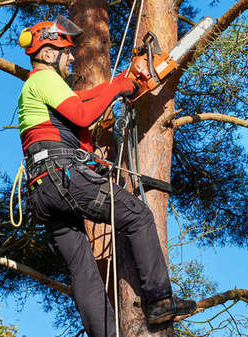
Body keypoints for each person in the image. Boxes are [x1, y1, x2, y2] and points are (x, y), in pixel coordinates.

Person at [16, 15, 197, 337]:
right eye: (65, 51)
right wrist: (117, 87)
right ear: (46, 54)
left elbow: (83, 103)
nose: (71, 57)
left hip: (43, 190)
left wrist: (120, 84)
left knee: (82, 269)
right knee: (138, 216)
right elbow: (84, 114)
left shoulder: (40, 89)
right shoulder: (43, 79)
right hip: (62, 177)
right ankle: (159, 302)